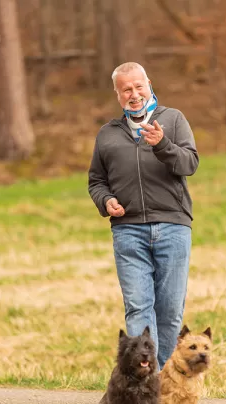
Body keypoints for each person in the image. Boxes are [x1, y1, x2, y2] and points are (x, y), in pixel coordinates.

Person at [88, 62, 199, 370]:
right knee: (138, 308)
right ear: (117, 94)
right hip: (128, 231)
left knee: (170, 311)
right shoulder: (107, 134)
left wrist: (162, 145)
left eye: (138, 87)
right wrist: (106, 200)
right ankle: (143, 383)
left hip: (173, 227)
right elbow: (96, 181)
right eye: (126, 89)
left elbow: (190, 163)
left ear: (148, 84)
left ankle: (162, 383)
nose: (134, 94)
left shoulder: (173, 120)